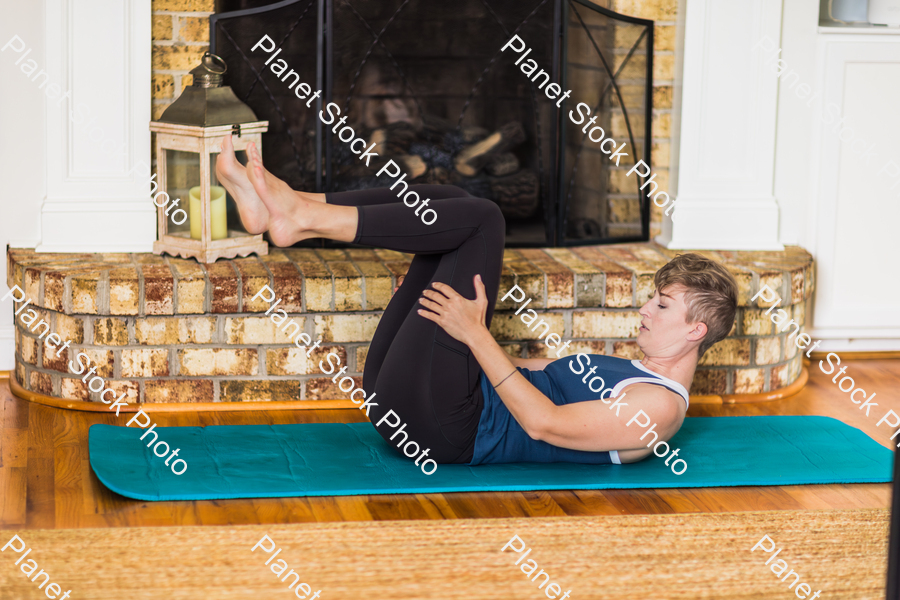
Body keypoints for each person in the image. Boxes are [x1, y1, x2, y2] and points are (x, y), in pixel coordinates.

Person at [215, 135, 738, 466]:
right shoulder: (633, 371)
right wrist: (435, 335)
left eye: (662, 305)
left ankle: (299, 217)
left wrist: (472, 332)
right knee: (454, 203)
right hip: (420, 401)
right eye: (653, 299)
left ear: (697, 330)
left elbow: (544, 424)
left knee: (484, 218)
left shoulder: (659, 409)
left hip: (445, 429)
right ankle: (297, 207)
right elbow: (523, 370)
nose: (645, 310)